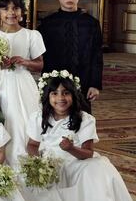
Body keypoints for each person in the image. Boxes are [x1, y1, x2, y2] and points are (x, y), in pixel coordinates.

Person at [26, 72, 130, 200]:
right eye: (54, 93)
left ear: (74, 95)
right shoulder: (39, 118)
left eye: (66, 93)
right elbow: (32, 144)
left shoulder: (85, 119)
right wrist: (38, 163)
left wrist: (71, 148)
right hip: (49, 163)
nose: (60, 98)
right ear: (47, 96)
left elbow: (88, 152)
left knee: (96, 171)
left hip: (77, 163)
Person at [0, 0, 44, 167]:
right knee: (6, 117)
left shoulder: (31, 35)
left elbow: (40, 64)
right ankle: (2, 159)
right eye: (6, 9)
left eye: (16, 8)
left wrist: (25, 61)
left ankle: (27, 159)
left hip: (23, 82)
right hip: (2, 82)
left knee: (24, 118)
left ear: (22, 11)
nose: (11, 13)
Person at [37, 0, 103, 111]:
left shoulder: (91, 23)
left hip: (83, 82)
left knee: (81, 121)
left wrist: (95, 84)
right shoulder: (47, 24)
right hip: (54, 84)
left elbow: (96, 56)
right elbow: (42, 57)